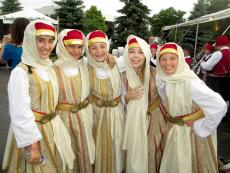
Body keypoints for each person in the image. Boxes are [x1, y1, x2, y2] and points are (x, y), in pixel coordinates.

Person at [2, 20, 75, 173]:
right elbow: (19, 112)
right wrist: (32, 144)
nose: (46, 46)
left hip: (52, 129)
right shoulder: (20, 72)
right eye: (40, 40)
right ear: (29, 40)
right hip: (32, 134)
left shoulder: (49, 67)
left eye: (50, 41)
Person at [155, 42, 227, 173]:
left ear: (180, 59)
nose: (167, 63)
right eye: (163, 59)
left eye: (172, 58)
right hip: (175, 131)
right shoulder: (166, 79)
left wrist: (200, 126)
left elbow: (219, 106)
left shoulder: (189, 82)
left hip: (189, 135)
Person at [122, 35, 166, 173]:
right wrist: (126, 98)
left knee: (152, 153)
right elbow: (117, 102)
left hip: (154, 121)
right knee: (134, 154)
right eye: (131, 51)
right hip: (131, 123)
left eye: (140, 52)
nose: (136, 56)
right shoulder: (121, 76)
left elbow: (166, 96)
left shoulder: (156, 73)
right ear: (126, 53)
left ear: (147, 54)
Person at [54, 29, 95, 173]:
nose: (76, 51)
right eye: (71, 46)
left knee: (83, 151)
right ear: (62, 45)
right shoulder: (54, 68)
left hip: (84, 117)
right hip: (63, 119)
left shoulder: (83, 64)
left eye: (79, 47)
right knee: (68, 152)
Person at [85, 30, 125, 173]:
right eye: (93, 48)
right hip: (96, 116)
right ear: (87, 49)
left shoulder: (118, 64)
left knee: (117, 145)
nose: (99, 51)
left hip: (117, 113)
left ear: (107, 46)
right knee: (98, 146)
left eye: (102, 46)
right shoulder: (85, 65)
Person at [201, 35, 230, 104]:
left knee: (213, 99)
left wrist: (202, 63)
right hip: (227, 80)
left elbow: (207, 66)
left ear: (218, 44)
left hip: (215, 80)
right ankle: (224, 113)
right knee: (225, 99)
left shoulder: (218, 53)